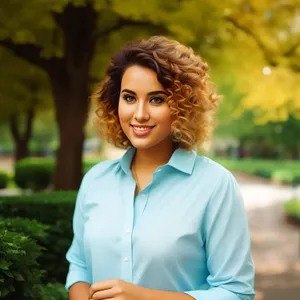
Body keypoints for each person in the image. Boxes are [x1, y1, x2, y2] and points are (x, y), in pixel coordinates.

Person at [65, 36, 255, 300]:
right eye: (129, 97)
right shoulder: (95, 180)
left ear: (182, 107)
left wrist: (142, 297)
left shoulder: (215, 185)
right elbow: (80, 266)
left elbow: (235, 292)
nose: (140, 114)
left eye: (156, 100)